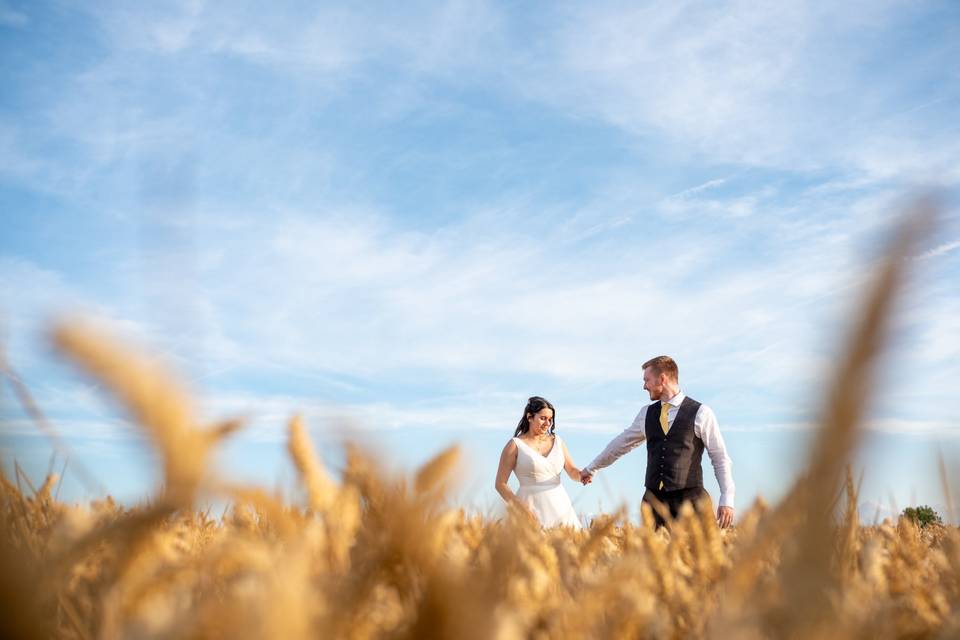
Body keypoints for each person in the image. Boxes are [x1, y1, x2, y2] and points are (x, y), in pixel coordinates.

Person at [580, 356, 735, 529]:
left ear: (662, 379)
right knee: (649, 556)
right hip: (652, 504)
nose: (644, 386)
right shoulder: (646, 414)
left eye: (647, 380)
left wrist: (727, 498)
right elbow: (620, 445)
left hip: (691, 503)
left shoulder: (701, 413)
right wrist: (592, 467)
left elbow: (719, 457)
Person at [495, 396, 584, 529]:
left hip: (560, 506)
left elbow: (572, 471)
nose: (548, 423)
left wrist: (583, 475)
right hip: (529, 509)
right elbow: (500, 484)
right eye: (543, 418)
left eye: (550, 419)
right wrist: (521, 509)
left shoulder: (558, 441)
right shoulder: (514, 445)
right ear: (529, 417)